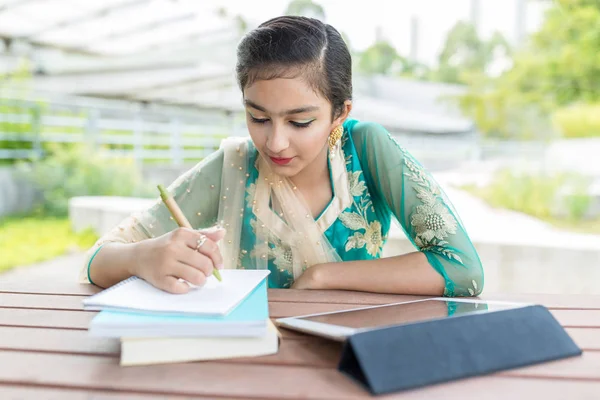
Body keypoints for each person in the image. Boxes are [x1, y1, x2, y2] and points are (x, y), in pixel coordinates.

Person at [81, 16, 483, 297]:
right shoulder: (234, 165)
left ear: (340, 113)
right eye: (258, 117)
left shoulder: (365, 150)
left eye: (300, 122)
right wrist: (143, 257)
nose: (274, 143)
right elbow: (98, 260)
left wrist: (323, 277)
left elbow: (463, 269)